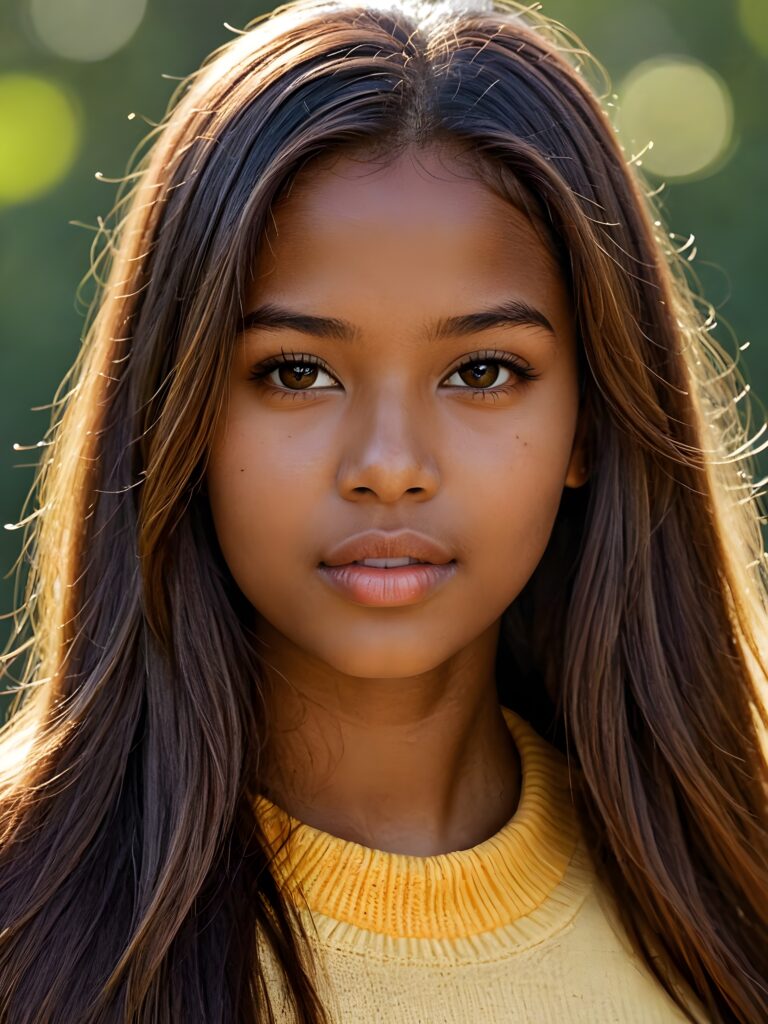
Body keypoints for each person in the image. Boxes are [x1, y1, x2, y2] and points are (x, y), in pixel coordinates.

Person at [0, 0, 766, 1020]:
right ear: (175, 414)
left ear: (592, 419)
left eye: (484, 370)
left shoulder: (735, 914)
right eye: (297, 372)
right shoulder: (25, 930)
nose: (390, 467)